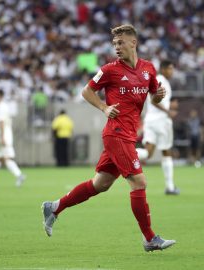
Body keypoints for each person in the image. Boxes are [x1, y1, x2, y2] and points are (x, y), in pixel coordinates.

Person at [42, 24, 176, 252]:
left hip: (128, 134)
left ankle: (54, 207)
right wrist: (104, 107)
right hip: (116, 134)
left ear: (133, 43)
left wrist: (158, 96)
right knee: (138, 182)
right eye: (114, 44)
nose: (116, 47)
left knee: (100, 184)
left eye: (120, 42)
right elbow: (86, 91)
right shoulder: (110, 70)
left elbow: (153, 97)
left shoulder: (148, 69)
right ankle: (149, 238)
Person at [136, 60, 180, 195]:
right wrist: (168, 111)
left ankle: (125, 154)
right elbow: (153, 99)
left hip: (150, 121)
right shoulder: (160, 80)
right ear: (163, 69)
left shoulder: (160, 80)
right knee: (166, 152)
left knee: (148, 154)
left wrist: (169, 106)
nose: (172, 72)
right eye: (170, 69)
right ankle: (170, 187)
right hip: (161, 121)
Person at [0, 89, 25, 187]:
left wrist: (2, 137)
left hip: (2, 136)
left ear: (0, 97)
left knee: (6, 158)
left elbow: (1, 122)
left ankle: (19, 174)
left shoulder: (2, 107)